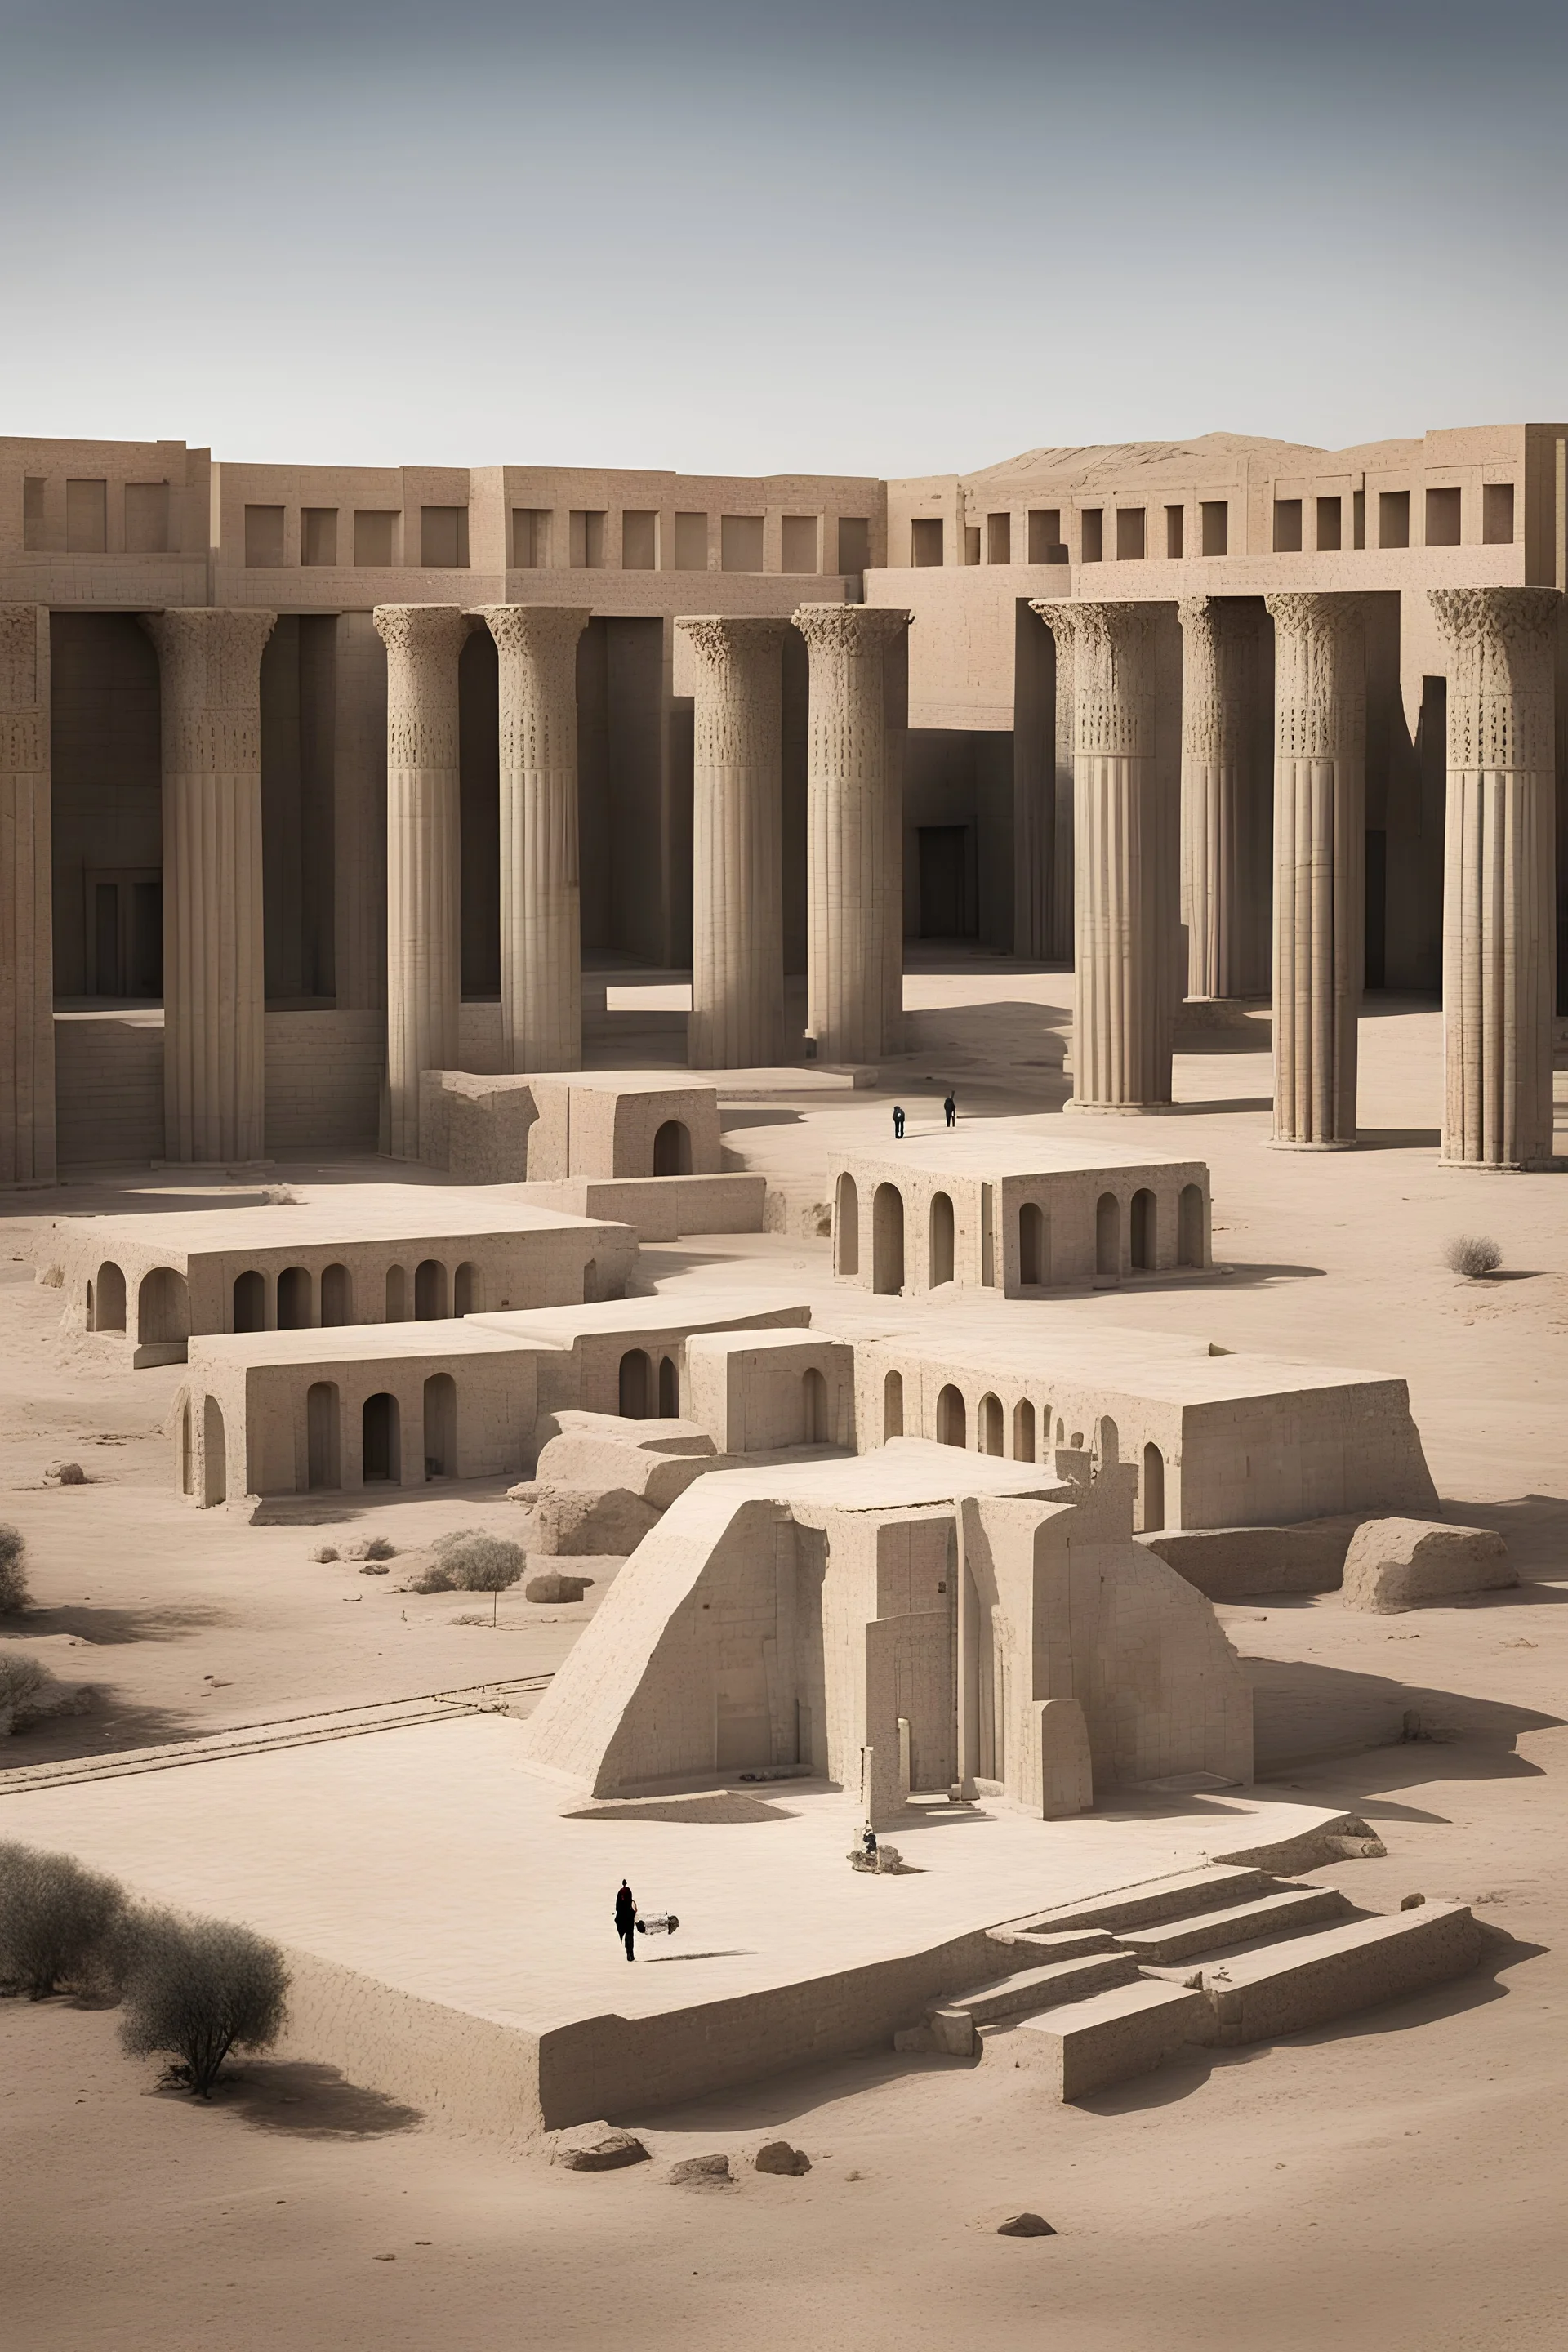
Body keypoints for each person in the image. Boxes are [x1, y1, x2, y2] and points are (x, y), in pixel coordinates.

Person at [614, 1878, 637, 1962]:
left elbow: (617, 1907)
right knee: (630, 1935)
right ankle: (631, 1953)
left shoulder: (620, 1892)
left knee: (627, 1936)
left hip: (623, 1918)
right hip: (629, 1918)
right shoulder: (629, 1891)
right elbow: (631, 1904)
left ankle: (628, 1954)